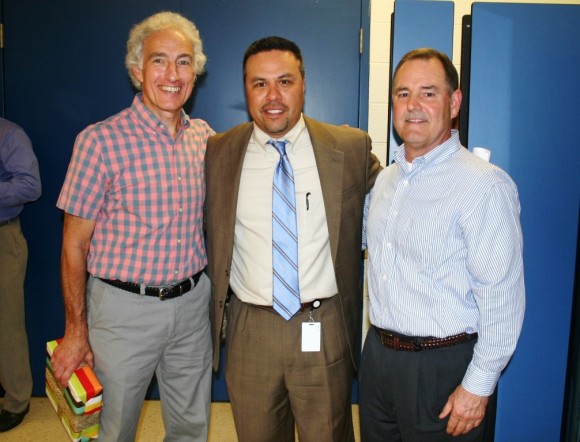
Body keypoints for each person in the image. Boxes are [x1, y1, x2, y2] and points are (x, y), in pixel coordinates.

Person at [205, 36, 381, 442]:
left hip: (322, 323)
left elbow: (398, 194)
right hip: (251, 329)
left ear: (304, 83)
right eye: (259, 83)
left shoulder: (350, 147)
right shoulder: (219, 152)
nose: (273, 96)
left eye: (285, 81)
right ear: (245, 89)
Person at [50, 12, 213, 441]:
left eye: (184, 62)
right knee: (113, 429)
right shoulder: (98, 142)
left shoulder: (206, 140)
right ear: (137, 71)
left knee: (191, 427)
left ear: (194, 72)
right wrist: (75, 330)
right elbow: (73, 246)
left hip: (193, 306)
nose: (172, 74)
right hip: (123, 312)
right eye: (159, 61)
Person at [360, 47, 526, 441]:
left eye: (428, 92)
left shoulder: (483, 185)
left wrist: (478, 386)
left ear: (454, 103)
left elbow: (502, 298)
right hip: (379, 360)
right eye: (402, 93)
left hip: (443, 368)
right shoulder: (386, 182)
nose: (412, 105)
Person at [0, 118, 41, 432]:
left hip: (3, 239)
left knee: (6, 323)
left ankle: (16, 400)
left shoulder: (9, 134)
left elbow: (29, 185)